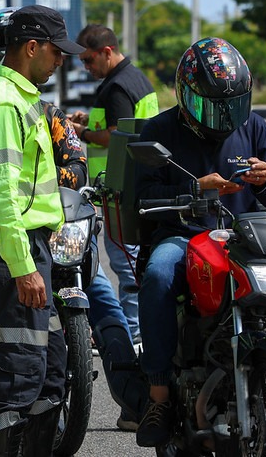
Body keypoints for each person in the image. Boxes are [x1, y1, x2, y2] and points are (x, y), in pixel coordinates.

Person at [133, 37, 266, 447]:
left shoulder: (253, 126)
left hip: (246, 242)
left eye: (233, 105)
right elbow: (142, 200)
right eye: (212, 106)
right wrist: (193, 189)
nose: (225, 116)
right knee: (157, 275)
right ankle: (158, 395)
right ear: (186, 95)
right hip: (184, 238)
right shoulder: (160, 129)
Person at [0, 4, 84, 456]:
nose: (61, 60)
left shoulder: (13, 96)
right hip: (13, 251)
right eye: (56, 51)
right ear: (31, 48)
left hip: (25, 248)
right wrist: (23, 265)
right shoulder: (5, 103)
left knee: (47, 367)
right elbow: (1, 194)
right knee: (18, 370)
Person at [68, 24, 159, 343]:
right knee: (134, 262)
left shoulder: (117, 86)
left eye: (89, 60)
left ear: (107, 52)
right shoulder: (135, 77)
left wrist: (81, 133)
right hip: (136, 183)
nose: (86, 67)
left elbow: (114, 135)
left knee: (127, 266)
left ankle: (134, 335)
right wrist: (88, 123)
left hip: (120, 188)